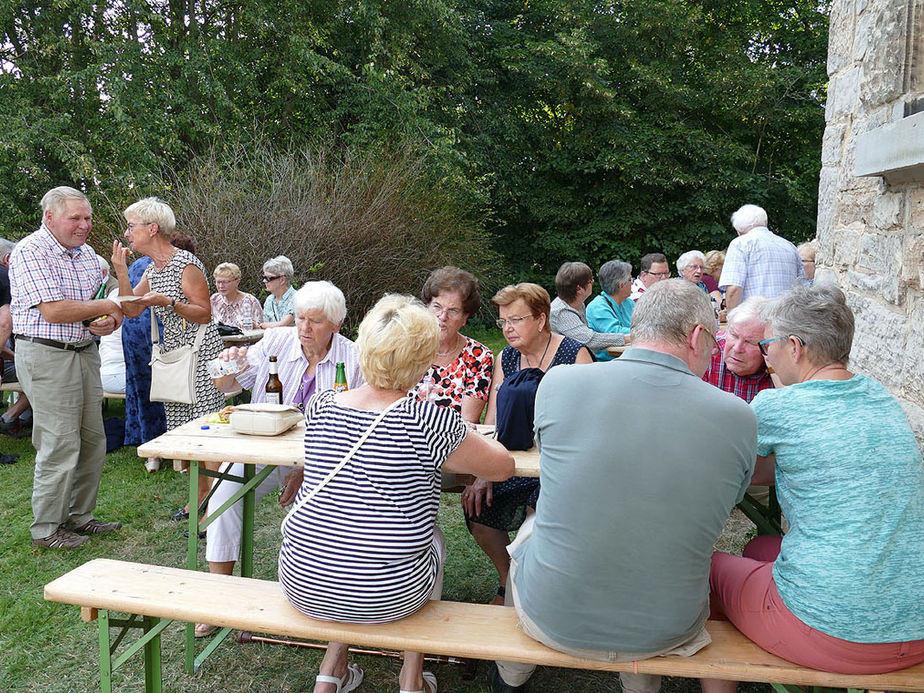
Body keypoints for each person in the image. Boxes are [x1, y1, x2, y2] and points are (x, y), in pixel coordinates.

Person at [491, 279, 757, 693]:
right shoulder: (737, 416)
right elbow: (732, 497)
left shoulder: (559, 384)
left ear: (636, 327)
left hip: (554, 616)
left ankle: (511, 676)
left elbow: (551, 459)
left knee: (529, 532)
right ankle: (638, 686)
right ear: (697, 336)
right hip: (666, 626)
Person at [278, 294, 514, 693]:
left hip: (302, 581)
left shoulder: (322, 404)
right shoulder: (431, 419)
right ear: (422, 360)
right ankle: (411, 679)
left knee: (351, 535)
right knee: (430, 538)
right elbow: (503, 467)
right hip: (387, 593)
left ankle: (330, 672)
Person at [703, 284, 924, 692]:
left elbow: (722, 474)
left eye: (767, 344)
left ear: (794, 346)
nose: (766, 355)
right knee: (758, 547)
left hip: (833, 631)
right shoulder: (881, 397)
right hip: (916, 623)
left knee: (710, 567)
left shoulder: (777, 406)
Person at [198, 281, 363, 637]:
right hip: (265, 449)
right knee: (224, 492)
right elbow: (229, 387)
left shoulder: (355, 358)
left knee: (316, 511)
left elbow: (358, 430)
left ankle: (315, 600)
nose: (304, 327)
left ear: (336, 324)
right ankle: (218, 595)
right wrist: (226, 365)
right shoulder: (276, 341)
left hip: (327, 461)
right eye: (301, 317)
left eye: (315, 321)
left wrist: (305, 468)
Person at [462, 283, 592, 606]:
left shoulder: (574, 354)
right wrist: (483, 471)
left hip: (560, 467)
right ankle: (509, 581)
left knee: (537, 518)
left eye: (516, 320)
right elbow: (491, 421)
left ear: (541, 319)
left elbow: (590, 421)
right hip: (515, 463)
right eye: (503, 321)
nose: (507, 328)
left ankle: (537, 593)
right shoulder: (506, 358)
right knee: (477, 507)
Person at [10, 186, 124, 548]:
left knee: (93, 439)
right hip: (45, 354)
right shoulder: (31, 251)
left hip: (84, 350)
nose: (84, 225)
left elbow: (100, 309)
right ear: (50, 217)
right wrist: (107, 308)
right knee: (59, 442)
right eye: (75, 217)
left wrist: (108, 321)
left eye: (87, 218)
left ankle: (80, 516)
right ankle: (46, 528)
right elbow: (54, 311)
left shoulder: (88, 256)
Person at [111, 196, 225, 513]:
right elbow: (131, 309)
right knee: (186, 436)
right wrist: (121, 270)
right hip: (175, 359)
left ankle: (215, 503)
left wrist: (168, 303)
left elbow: (204, 313)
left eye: (132, 225)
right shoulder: (152, 267)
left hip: (200, 359)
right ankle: (198, 499)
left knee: (207, 433)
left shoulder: (185, 264)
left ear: (153, 228)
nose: (127, 232)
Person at [412, 266, 494, 423]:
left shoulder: (479, 357)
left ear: (465, 318)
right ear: (427, 307)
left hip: (453, 443)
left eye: (453, 310)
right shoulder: (406, 348)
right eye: (437, 306)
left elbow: (467, 422)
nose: (442, 316)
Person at [120, 255, 167, 473]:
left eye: (132, 228)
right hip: (140, 336)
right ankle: (153, 449)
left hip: (156, 334)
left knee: (156, 392)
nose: (128, 235)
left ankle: (157, 449)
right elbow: (128, 303)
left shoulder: (170, 260)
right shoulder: (141, 265)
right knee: (149, 391)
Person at [721, 204, 805, 310]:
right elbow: (802, 289)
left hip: (755, 318)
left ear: (739, 231)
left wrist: (731, 320)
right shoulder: (789, 246)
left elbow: (734, 289)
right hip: (787, 319)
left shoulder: (740, 244)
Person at [703, 297, 773, 403]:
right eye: (734, 335)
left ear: (768, 347)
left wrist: (773, 370)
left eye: (750, 342)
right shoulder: (709, 350)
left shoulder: (778, 365)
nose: (737, 348)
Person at [549, 261, 627, 353]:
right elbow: (590, 340)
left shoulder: (578, 304)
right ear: (579, 289)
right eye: (590, 281)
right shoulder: (561, 312)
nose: (593, 282)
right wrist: (628, 338)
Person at [585, 260, 634, 361]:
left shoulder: (629, 303)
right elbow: (616, 334)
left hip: (629, 357)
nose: (632, 283)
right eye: (630, 279)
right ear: (621, 285)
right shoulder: (597, 307)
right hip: (607, 363)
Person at [210, 262, 262, 330]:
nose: (221, 286)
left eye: (225, 282)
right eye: (218, 282)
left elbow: (261, 329)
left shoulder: (250, 301)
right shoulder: (214, 300)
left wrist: (254, 325)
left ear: (237, 282)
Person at [260, 255, 296, 328]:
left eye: (268, 278)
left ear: (282, 280)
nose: (264, 281)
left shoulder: (297, 298)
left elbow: (283, 324)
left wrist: (261, 325)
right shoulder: (269, 300)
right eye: (264, 277)